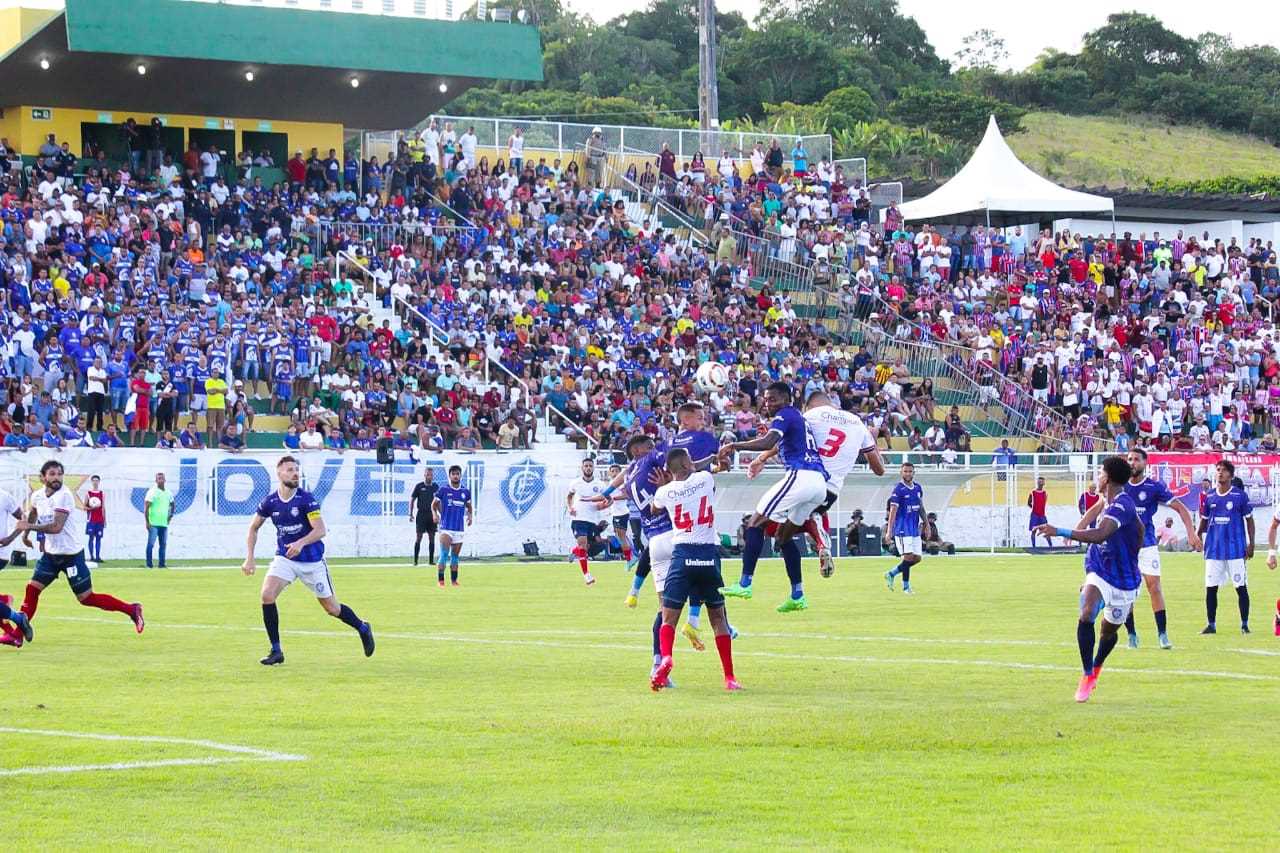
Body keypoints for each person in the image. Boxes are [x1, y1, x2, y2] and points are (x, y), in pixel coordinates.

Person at [242, 456, 375, 666]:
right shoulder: (270, 502)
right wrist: (249, 557)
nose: (295, 473)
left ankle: (362, 627)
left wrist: (301, 543)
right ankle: (276, 650)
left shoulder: (306, 499)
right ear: (279, 473)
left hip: (312, 562)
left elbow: (320, 530)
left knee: (332, 609)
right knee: (267, 595)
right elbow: (253, 528)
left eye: (296, 469)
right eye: (289, 470)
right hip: (285, 558)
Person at [1036, 456, 1143, 703]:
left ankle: (1096, 667)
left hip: (1123, 579)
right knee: (1086, 613)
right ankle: (1086, 674)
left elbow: (1101, 534)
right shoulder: (1107, 499)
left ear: (1108, 478)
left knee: (1108, 631)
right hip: (1099, 567)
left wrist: (1061, 531)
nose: (1098, 476)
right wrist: (1080, 525)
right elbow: (1100, 511)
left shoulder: (1123, 505)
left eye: (1101, 473)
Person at [718, 382, 828, 613]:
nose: (768, 403)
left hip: (800, 476)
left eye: (773, 399)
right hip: (818, 483)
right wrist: (764, 455)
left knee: (755, 522)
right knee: (782, 536)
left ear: (787, 399)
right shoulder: (797, 417)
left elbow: (768, 442)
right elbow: (777, 443)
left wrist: (735, 445)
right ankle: (797, 595)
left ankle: (745, 584)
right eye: (766, 399)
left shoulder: (784, 415)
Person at [749, 390, 884, 578]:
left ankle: (813, 540)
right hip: (832, 491)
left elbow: (787, 440)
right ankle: (820, 542)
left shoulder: (810, 416)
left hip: (808, 478)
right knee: (803, 518)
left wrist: (761, 458)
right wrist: (873, 443)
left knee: (768, 527)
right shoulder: (858, 423)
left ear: (809, 405)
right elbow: (879, 470)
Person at [10, 460, 144, 644]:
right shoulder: (38, 496)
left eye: (59, 474)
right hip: (51, 555)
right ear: (42, 477)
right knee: (32, 589)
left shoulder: (65, 495)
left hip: (71, 556)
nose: (57, 478)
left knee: (86, 598)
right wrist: (26, 535)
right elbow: (33, 512)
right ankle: (17, 635)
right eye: (52, 474)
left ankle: (132, 609)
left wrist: (29, 527)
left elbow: (56, 527)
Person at [1082, 448, 1201, 650]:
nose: (1132, 462)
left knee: (1154, 587)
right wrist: (1079, 527)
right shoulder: (1119, 485)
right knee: (1126, 590)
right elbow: (1097, 507)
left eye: (1136, 459)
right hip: (1123, 548)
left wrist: (1191, 533)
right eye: (1129, 459)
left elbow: (1180, 507)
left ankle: (1162, 634)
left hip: (1147, 544)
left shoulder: (1154, 487)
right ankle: (1132, 634)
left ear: (1145, 463)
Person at [650, 447, 740, 692]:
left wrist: (667, 482)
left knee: (668, 617)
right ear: (687, 464)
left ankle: (667, 658)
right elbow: (702, 468)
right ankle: (729, 678)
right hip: (708, 556)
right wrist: (711, 459)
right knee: (718, 619)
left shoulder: (664, 492)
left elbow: (654, 509)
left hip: (682, 555)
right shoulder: (705, 479)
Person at [1197, 459, 1255, 635]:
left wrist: (1251, 543)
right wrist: (1196, 536)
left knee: (1240, 587)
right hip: (1214, 550)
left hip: (1235, 550)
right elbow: (1204, 521)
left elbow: (1249, 520)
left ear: (1231, 475)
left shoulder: (1239, 496)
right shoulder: (1210, 496)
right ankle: (1211, 625)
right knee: (1211, 588)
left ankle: (1244, 625)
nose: (1220, 473)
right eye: (1218, 470)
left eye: (1223, 470)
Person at [884, 461, 926, 594]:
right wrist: (889, 531)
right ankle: (906, 587)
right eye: (905, 471)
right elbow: (893, 511)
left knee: (917, 558)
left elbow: (921, 507)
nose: (908, 473)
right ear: (901, 473)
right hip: (902, 529)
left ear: (914, 473)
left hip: (914, 529)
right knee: (908, 557)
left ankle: (891, 573)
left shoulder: (918, 488)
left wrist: (927, 524)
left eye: (910, 471)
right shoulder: (898, 490)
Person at [565, 457, 606, 586]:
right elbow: (569, 496)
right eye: (586, 466)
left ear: (593, 468)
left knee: (586, 548)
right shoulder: (575, 483)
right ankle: (587, 575)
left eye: (590, 466)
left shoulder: (600, 484)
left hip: (592, 520)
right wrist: (570, 508)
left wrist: (603, 506)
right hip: (578, 518)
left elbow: (608, 499)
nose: (588, 468)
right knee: (583, 545)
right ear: (582, 468)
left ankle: (575, 551)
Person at [432, 465, 472, 588]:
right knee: (444, 554)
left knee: (455, 557)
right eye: (453, 474)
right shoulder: (443, 490)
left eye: (457, 474)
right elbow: (433, 505)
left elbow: (469, 507)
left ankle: (454, 581)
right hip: (446, 528)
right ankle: (441, 581)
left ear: (460, 476)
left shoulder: (465, 492)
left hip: (459, 529)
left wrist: (470, 516)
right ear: (449, 476)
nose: (455, 476)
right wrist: (435, 514)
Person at [606, 464, 636, 568]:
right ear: (609, 473)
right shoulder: (611, 483)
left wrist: (613, 498)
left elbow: (627, 495)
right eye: (612, 471)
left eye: (616, 471)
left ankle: (630, 558)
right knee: (619, 537)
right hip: (615, 513)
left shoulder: (621, 484)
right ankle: (631, 555)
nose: (614, 473)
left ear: (620, 473)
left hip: (621, 513)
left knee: (621, 537)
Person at [143, 472, 173, 569]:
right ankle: (149, 564)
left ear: (165, 480)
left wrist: (170, 516)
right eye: (159, 478)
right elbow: (146, 508)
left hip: (163, 523)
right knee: (151, 544)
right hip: (153, 523)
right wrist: (147, 522)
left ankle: (162, 564)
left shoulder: (168, 492)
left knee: (163, 545)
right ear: (156, 481)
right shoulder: (152, 492)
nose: (160, 480)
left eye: (162, 478)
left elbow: (172, 504)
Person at [409, 470, 439, 567]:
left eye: (431, 475)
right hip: (421, 515)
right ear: (424, 475)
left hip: (432, 514)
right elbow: (412, 499)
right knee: (419, 537)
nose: (429, 476)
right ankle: (415, 561)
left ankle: (431, 561)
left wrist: (440, 514)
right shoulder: (419, 486)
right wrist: (410, 513)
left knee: (432, 537)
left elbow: (438, 502)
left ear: (433, 476)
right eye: (427, 474)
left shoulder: (435, 487)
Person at [84, 474, 106, 563]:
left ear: (99, 482)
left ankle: (97, 557)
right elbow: (84, 507)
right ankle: (91, 556)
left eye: (97, 481)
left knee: (98, 538)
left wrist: (105, 520)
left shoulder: (102, 493)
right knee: (91, 538)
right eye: (94, 481)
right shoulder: (88, 493)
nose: (95, 482)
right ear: (91, 482)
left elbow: (103, 507)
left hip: (99, 520)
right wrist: (91, 508)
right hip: (91, 520)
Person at [1028, 477, 1053, 547]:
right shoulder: (1033, 492)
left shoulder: (1045, 493)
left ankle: (1051, 546)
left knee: (1046, 531)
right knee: (1033, 531)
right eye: (1039, 481)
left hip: (1042, 515)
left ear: (1044, 483)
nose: (1040, 483)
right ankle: (1033, 547)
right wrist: (1034, 508)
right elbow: (1029, 503)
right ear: (1037, 482)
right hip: (1034, 515)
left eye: (1042, 482)